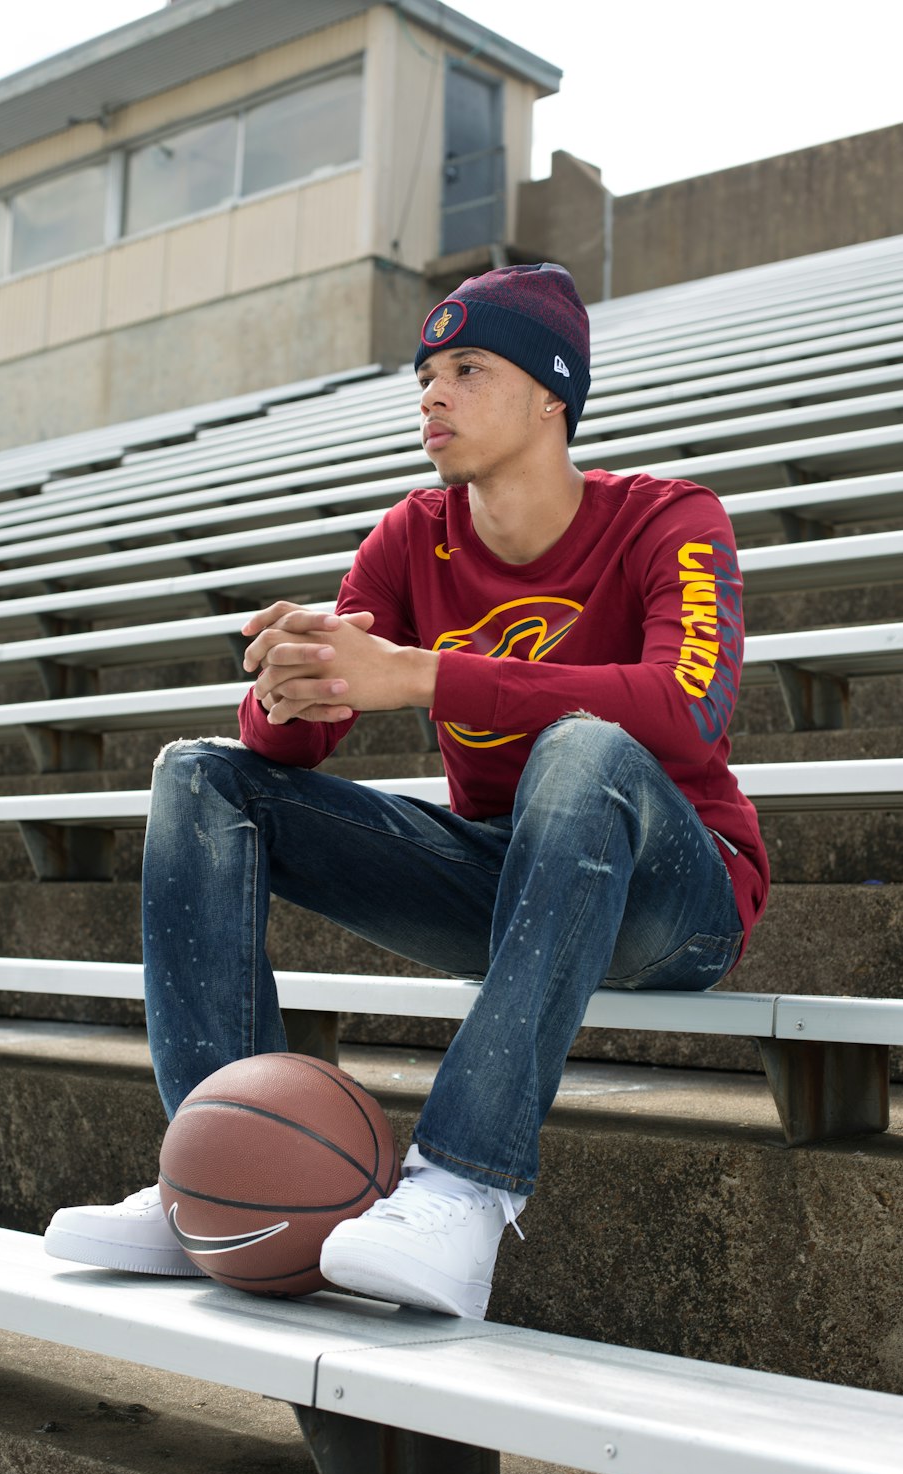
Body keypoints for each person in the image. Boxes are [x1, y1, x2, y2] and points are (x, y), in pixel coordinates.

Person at [45, 263, 769, 1319]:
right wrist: (290, 688)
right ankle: (216, 1164)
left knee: (585, 749)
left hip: (676, 900)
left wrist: (425, 673)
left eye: (467, 370)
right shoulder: (408, 536)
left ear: (550, 395)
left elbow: (686, 708)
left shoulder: (668, 518)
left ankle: (464, 1189)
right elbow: (289, 751)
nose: (431, 394)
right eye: (426, 373)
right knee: (201, 778)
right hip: (511, 881)